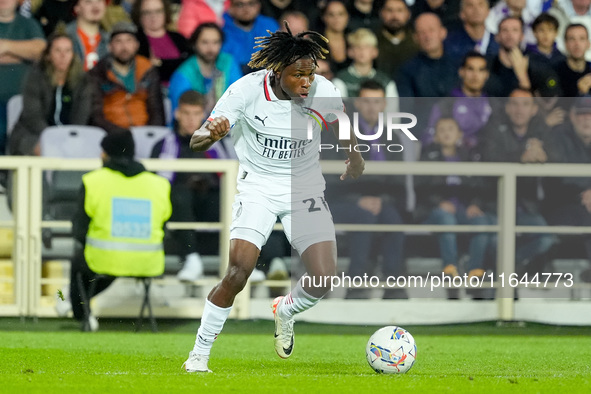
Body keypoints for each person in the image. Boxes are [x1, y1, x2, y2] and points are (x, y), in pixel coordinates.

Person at [182, 23, 364, 373]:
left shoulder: (320, 90)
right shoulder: (245, 91)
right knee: (239, 272)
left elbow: (342, 125)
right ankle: (199, 353)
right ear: (277, 71)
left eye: (311, 74)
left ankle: (286, 309)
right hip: (258, 186)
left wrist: (354, 158)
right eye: (299, 75)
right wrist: (211, 133)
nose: (307, 82)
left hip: (305, 188)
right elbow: (196, 141)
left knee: (324, 277)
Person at [69, 130, 172, 331]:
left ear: (106, 154)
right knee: (110, 263)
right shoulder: (159, 184)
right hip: (148, 263)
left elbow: (79, 229)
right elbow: (164, 228)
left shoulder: (93, 181)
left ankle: (81, 314)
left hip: (103, 259)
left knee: (81, 263)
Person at [323, 79, 406, 299]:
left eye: (377, 101)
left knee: (395, 220)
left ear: (384, 104)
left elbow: (399, 181)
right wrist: (357, 199)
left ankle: (394, 285)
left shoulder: (394, 136)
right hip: (342, 202)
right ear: (357, 104)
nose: (371, 107)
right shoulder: (339, 134)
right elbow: (329, 178)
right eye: (366, 101)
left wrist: (384, 200)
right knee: (364, 216)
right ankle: (356, 284)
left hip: (382, 201)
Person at [151, 90, 230, 281]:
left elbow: (231, 179)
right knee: (179, 195)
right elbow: (157, 185)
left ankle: (239, 261)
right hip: (178, 207)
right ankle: (191, 258)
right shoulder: (163, 145)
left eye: (196, 114)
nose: (190, 120)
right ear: (177, 114)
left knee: (229, 197)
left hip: (208, 205)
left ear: (204, 115)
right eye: (186, 113)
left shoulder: (218, 145)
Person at [417, 117, 495, 280]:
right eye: (442, 130)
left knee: (482, 222)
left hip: (463, 210)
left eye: (450, 129)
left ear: (459, 134)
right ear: (436, 136)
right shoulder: (427, 156)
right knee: (446, 219)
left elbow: (480, 185)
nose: (446, 133)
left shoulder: (470, 157)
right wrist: (439, 202)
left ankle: (475, 271)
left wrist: (475, 204)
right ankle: (450, 269)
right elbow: (421, 186)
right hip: (435, 211)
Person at [9, 32, 92, 156]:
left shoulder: (84, 81)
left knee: (84, 147)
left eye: (67, 51)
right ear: (48, 55)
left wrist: (67, 137)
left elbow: (81, 116)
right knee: (44, 148)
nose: (63, 56)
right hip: (34, 134)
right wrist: (53, 138)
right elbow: (32, 116)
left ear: (73, 55)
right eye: (58, 51)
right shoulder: (35, 77)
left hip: (71, 135)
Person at [89, 21, 165, 134]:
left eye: (129, 41)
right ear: (110, 46)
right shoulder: (99, 72)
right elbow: (96, 115)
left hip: (144, 132)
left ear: (136, 45)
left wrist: (150, 133)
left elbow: (156, 110)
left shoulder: (147, 69)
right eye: (118, 41)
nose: (124, 47)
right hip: (112, 134)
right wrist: (121, 135)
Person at [0, 0, 46, 154]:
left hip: (22, 101)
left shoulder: (28, 24)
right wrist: (22, 55)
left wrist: (5, 46)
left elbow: (40, 51)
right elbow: (32, 51)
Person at [168, 22, 241, 115]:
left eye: (216, 42)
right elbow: (181, 116)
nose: (210, 48)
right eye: (204, 42)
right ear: (194, 44)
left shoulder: (228, 62)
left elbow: (239, 99)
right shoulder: (183, 74)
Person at [424, 51, 492, 150]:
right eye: (470, 69)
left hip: (487, 161)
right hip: (455, 161)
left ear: (486, 75)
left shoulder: (494, 104)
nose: (475, 75)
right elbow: (429, 137)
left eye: (480, 70)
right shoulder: (446, 105)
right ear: (461, 72)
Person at [485, 16, 562, 97]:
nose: (509, 35)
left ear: (522, 36)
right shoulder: (486, 65)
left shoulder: (538, 64)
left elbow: (550, 100)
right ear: (497, 37)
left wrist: (523, 77)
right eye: (505, 30)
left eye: (515, 30)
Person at [396, 12, 458, 98]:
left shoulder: (458, 64)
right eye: (422, 32)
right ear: (415, 38)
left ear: (443, 33)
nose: (427, 36)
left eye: (431, 30)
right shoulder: (407, 71)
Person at [131, 0, 191, 86]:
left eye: (158, 11)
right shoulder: (134, 40)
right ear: (139, 15)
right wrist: (175, 63)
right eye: (147, 12)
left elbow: (189, 65)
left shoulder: (179, 38)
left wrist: (160, 63)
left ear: (165, 12)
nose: (153, 16)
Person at [331, 28, 398, 98]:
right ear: (350, 52)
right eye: (357, 47)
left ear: (375, 52)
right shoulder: (340, 80)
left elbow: (392, 108)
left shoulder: (386, 82)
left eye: (367, 47)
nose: (362, 51)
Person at [221, 0, 280, 74]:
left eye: (251, 3)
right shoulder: (222, 27)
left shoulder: (270, 25)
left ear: (259, 5)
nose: (246, 9)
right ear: (230, 7)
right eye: (240, 4)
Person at [375, 0, 418, 78]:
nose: (394, 16)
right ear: (382, 13)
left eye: (400, 10)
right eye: (389, 10)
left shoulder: (417, 41)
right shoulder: (373, 41)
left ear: (408, 14)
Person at [65, 0, 109, 71]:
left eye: (99, 1)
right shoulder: (65, 37)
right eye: (88, 2)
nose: (95, 6)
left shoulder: (111, 40)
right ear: (76, 8)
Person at [554, 23, 591, 97]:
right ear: (565, 44)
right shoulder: (555, 72)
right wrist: (579, 91)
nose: (577, 44)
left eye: (582, 38)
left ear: (588, 44)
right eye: (572, 39)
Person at [318, 0, 350, 73]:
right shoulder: (315, 42)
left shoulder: (353, 40)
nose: (336, 19)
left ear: (347, 16)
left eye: (340, 14)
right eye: (331, 14)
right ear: (324, 17)